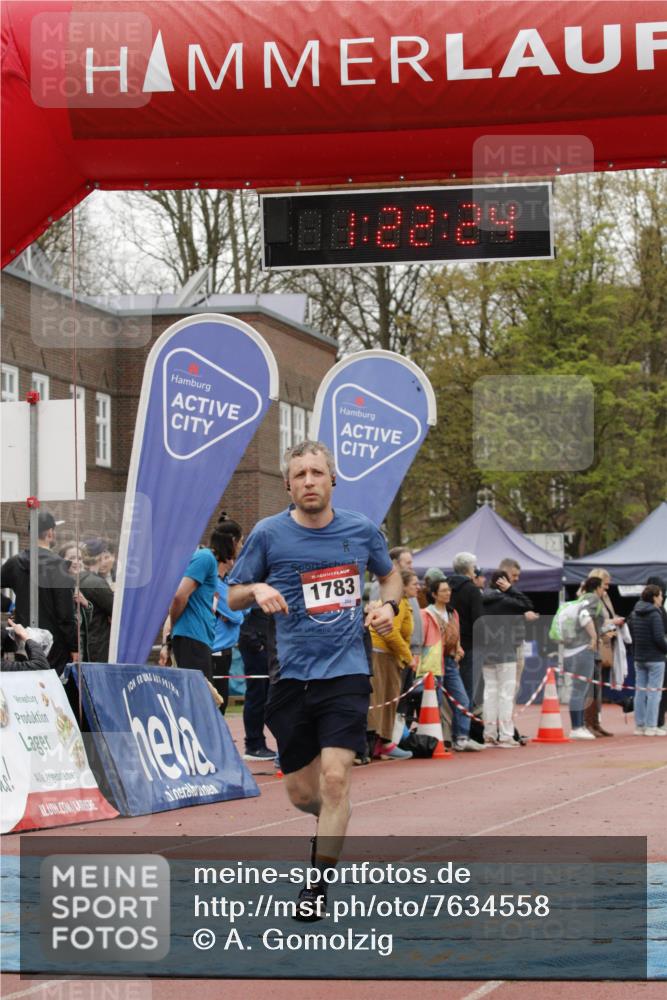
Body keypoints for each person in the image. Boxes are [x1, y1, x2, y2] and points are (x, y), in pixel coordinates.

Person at [228, 440, 401, 921]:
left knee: (335, 780)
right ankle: (330, 822)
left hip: (346, 673)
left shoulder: (361, 531)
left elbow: (391, 579)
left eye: (317, 473)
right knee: (306, 795)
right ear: (287, 484)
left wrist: (387, 606)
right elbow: (231, 596)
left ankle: (316, 886)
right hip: (290, 678)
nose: (309, 481)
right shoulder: (268, 534)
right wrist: (257, 587)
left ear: (332, 480)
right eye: (300, 474)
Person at [167, 514, 242, 684]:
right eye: (241, 542)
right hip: (192, 636)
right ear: (232, 541)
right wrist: (173, 625)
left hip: (200, 638)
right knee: (201, 698)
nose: (241, 547)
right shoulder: (205, 557)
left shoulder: (210, 562)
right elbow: (180, 596)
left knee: (204, 697)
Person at [1, 512, 78, 673]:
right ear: (50, 532)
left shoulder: (14, 563)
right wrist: (74, 647)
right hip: (55, 646)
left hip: (24, 641)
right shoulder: (59, 567)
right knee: (52, 692)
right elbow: (65, 615)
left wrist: (8, 606)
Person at [422, 578, 483, 752]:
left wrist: (458, 648)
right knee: (436, 701)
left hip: (449, 662)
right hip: (433, 662)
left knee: (462, 698)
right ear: (434, 594)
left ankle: (461, 736)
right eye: (443, 591)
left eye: (449, 590)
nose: (448, 593)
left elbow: (456, 634)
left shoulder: (452, 613)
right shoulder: (427, 613)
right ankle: (436, 738)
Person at [480, 570, 534, 747]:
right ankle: (506, 736)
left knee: (489, 694)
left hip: (487, 652)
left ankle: (489, 735)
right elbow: (527, 604)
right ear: (503, 582)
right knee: (506, 695)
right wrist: (511, 589)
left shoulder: (480, 599)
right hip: (506, 652)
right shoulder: (505, 601)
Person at [367, 569, 415, 760]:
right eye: (414, 583)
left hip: (386, 654)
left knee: (387, 698)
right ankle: (380, 743)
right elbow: (390, 631)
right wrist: (407, 656)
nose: (418, 587)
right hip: (382, 654)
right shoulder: (398, 605)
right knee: (382, 699)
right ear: (402, 586)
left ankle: (381, 742)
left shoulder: (405, 604)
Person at [580, 568, 624, 737]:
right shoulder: (589, 599)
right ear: (597, 584)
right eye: (605, 584)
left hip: (602, 643)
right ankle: (586, 723)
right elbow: (592, 620)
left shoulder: (604, 598)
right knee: (589, 687)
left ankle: (595, 722)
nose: (607, 588)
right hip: (592, 644)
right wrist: (609, 625)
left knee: (597, 687)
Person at [210, 515, 246, 715]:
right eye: (240, 542)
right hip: (213, 651)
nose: (241, 547)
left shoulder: (228, 580)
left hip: (225, 650)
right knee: (215, 706)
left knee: (221, 705)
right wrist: (235, 612)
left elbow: (244, 608)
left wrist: (237, 610)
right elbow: (238, 615)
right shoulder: (213, 579)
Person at [562, 576, 605, 740]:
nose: (604, 591)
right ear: (597, 588)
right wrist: (594, 636)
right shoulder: (593, 599)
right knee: (580, 689)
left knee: (579, 689)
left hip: (572, 648)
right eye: (603, 587)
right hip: (584, 648)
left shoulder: (581, 599)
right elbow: (584, 616)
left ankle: (579, 725)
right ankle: (577, 727)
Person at [239, 608, 278, 761]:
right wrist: (255, 642)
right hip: (256, 645)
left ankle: (258, 743)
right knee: (257, 695)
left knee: (268, 695)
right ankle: (254, 745)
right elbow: (241, 614)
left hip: (267, 643)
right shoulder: (252, 587)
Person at [628, 584, 667, 737]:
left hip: (639, 657)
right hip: (655, 658)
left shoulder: (635, 612)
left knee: (640, 692)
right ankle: (651, 726)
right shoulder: (655, 614)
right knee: (654, 693)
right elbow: (659, 637)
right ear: (654, 597)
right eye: (660, 595)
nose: (662, 598)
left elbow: (633, 634)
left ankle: (640, 725)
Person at [447, 552, 484, 702]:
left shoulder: (445, 586)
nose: (475, 570)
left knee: (450, 690)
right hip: (470, 645)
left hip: (448, 644)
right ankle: (465, 723)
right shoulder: (472, 590)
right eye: (474, 567)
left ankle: (452, 724)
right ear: (469, 569)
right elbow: (479, 620)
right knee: (469, 689)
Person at [77, 539, 115, 662]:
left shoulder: (77, 578)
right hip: (98, 645)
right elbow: (117, 611)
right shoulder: (97, 583)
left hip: (84, 641)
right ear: (100, 558)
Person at [645, 576, 667, 731]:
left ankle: (647, 722)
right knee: (658, 691)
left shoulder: (639, 608)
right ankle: (656, 722)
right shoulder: (656, 611)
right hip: (657, 655)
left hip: (643, 654)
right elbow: (659, 636)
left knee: (648, 690)